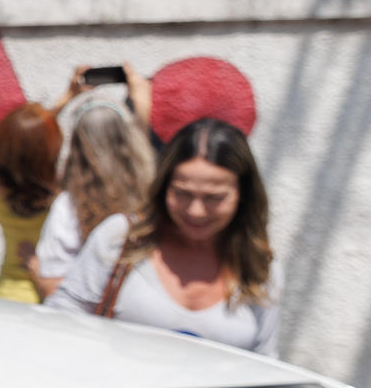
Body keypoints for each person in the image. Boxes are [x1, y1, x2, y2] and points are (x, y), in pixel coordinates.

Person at [47, 117, 281, 355]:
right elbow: (62, 319)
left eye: (214, 197)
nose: (195, 210)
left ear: (243, 195)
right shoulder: (121, 238)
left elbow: (265, 363)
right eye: (182, 193)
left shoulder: (260, 268)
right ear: (163, 186)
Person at [22, 94, 155, 302]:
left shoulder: (69, 206)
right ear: (131, 140)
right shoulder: (156, 197)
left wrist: (37, 269)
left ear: (76, 147)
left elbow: (54, 290)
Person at [0, 103, 62, 303]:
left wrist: (68, 97)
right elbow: (36, 141)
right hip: (46, 296)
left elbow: (25, 142)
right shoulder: (61, 194)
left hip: (6, 291)